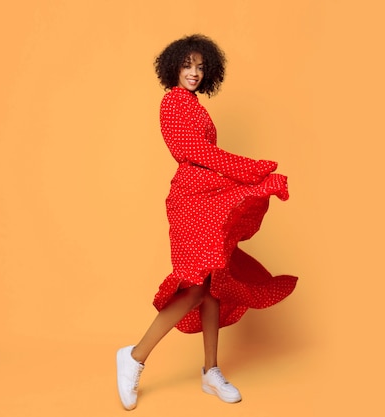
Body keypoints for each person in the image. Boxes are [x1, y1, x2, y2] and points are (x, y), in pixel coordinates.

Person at [116, 34, 298, 411]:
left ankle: (210, 372)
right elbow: (195, 152)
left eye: (200, 67)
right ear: (173, 67)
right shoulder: (172, 101)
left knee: (215, 282)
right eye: (187, 65)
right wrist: (251, 169)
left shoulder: (194, 104)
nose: (194, 73)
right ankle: (134, 356)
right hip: (190, 200)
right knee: (196, 286)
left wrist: (249, 176)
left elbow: (206, 158)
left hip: (207, 195)